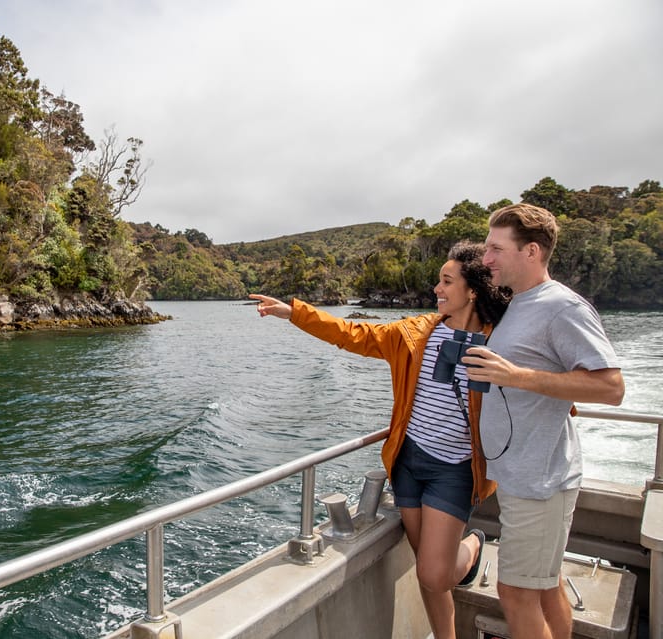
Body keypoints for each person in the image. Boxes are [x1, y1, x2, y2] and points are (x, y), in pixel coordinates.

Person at [251, 240, 510, 639]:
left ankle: (473, 544)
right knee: (427, 572)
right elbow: (352, 333)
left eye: (446, 281)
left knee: (434, 572)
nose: (437, 289)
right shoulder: (414, 334)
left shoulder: (501, 341)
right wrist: (294, 313)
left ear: (473, 290)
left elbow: (530, 397)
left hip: (456, 470)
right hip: (409, 463)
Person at [462, 203, 625, 639]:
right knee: (545, 586)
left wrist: (515, 376)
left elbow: (611, 387)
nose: (486, 259)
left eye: (496, 249)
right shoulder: (518, 304)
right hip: (523, 476)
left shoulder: (562, 307)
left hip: (541, 482)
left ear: (531, 251)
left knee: (516, 593)